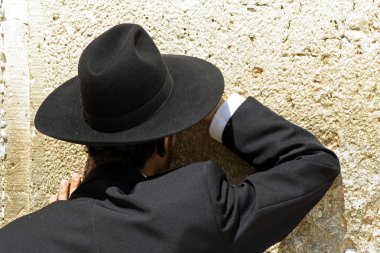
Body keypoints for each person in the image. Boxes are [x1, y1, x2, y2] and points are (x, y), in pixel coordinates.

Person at [0, 23, 340, 253]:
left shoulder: (16, 240)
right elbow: (312, 162)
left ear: (88, 141)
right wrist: (214, 110)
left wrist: (52, 225)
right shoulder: (197, 208)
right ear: (165, 141)